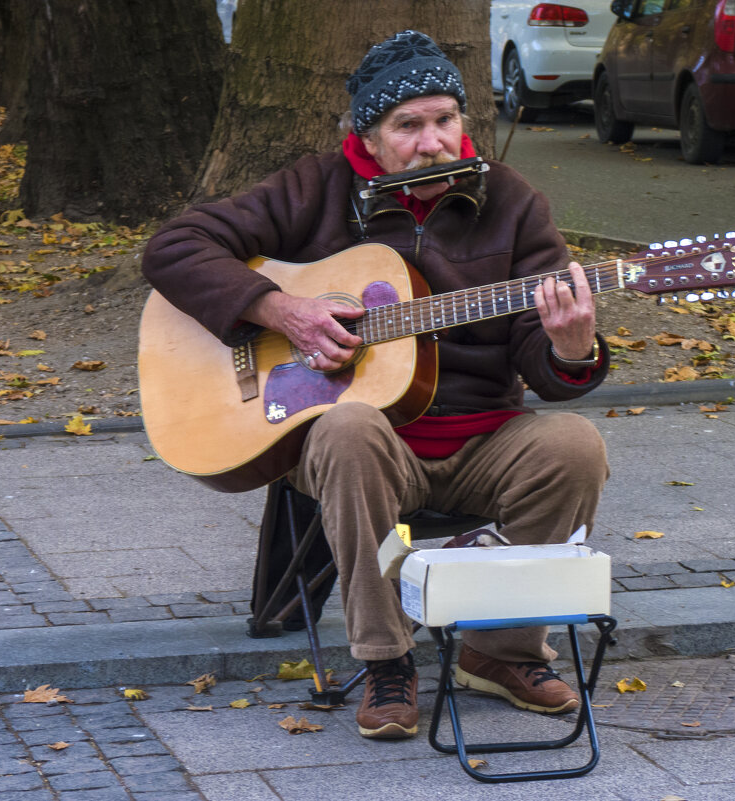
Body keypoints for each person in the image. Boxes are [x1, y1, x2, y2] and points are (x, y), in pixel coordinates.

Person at [143, 30, 610, 741]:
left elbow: (545, 368)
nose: (433, 143)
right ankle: (388, 659)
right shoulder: (316, 189)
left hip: (484, 436)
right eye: (409, 125)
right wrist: (279, 310)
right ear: (369, 134)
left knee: (576, 444)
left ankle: (500, 650)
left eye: (446, 120)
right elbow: (172, 249)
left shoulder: (514, 203)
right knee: (350, 424)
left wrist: (572, 348)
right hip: (363, 444)